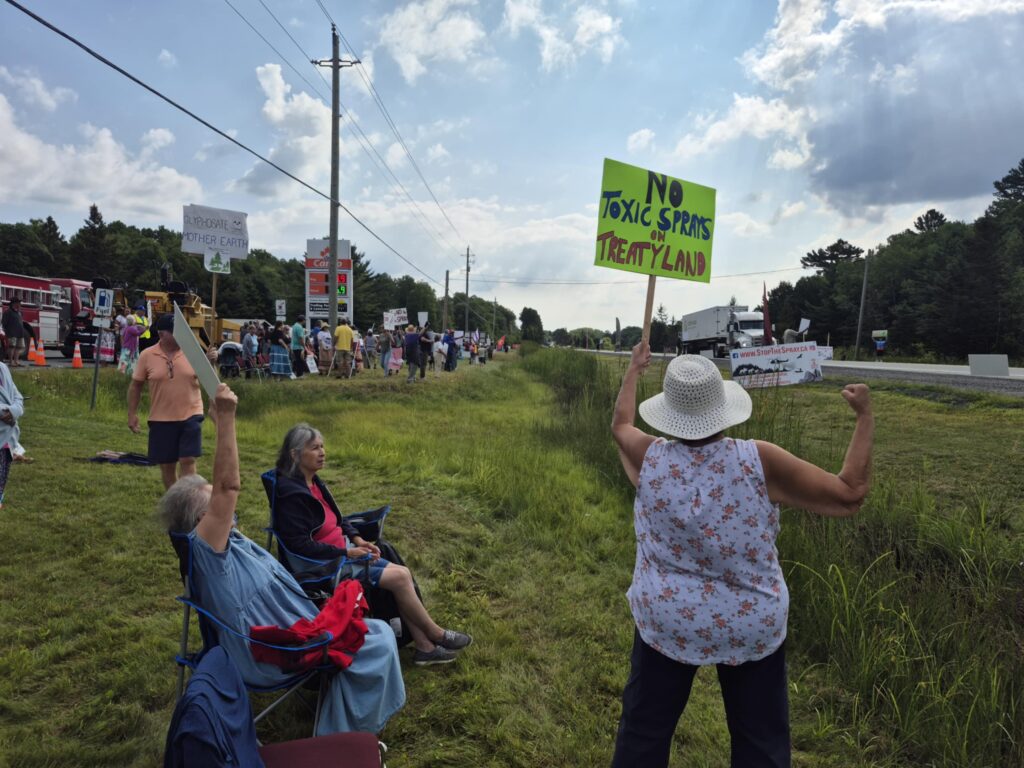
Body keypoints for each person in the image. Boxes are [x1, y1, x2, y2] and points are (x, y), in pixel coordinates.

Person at [609, 344, 874, 768]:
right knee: (760, 744)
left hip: (668, 622)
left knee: (643, 734)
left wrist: (633, 370)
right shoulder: (758, 461)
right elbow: (849, 494)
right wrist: (864, 417)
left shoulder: (650, 457)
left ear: (670, 412)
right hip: (750, 625)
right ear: (721, 407)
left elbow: (621, 424)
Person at [158, 385, 406, 734]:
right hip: (269, 653)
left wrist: (215, 419)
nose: (229, 512)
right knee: (377, 639)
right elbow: (227, 487)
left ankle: (348, 707)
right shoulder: (208, 552)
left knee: (374, 628)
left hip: (290, 632)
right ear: (202, 520)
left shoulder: (225, 544)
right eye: (216, 508)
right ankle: (342, 735)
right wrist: (227, 419)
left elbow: (214, 489)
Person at [272, 423, 474, 666]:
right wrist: (347, 552)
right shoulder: (291, 496)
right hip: (324, 567)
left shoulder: (313, 483)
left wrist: (359, 540)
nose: (323, 452)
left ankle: (425, 648)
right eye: (315, 448)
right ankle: (436, 634)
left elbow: (339, 519)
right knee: (399, 578)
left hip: (345, 552)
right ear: (295, 454)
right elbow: (299, 546)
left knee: (402, 573)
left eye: (322, 446)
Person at [128, 313, 205, 490]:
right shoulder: (147, 355)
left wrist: (211, 363)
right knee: (167, 465)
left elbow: (210, 379)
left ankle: (188, 499)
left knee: (188, 459)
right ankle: (175, 498)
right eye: (175, 331)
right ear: (162, 334)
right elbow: (136, 386)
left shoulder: (193, 351)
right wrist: (132, 414)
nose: (181, 335)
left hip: (191, 413)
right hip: (161, 418)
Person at [0, 360, 24, 510]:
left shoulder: (3, 368)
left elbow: (17, 397)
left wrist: (14, 411)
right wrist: (4, 412)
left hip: (6, 441)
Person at [2, 299, 26, 367]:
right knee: (11, 347)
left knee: (19, 347)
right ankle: (11, 362)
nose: (20, 304)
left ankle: (16, 361)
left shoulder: (19, 312)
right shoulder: (8, 312)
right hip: (11, 333)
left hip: (20, 333)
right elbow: (4, 323)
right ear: (13, 303)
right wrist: (7, 331)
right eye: (18, 303)